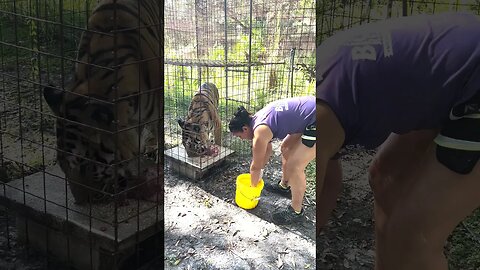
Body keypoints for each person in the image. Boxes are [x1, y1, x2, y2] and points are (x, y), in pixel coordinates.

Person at [315, 12, 480, 269]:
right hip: (451, 68)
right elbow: (328, 186)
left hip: (471, 77)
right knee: (384, 177)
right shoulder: (318, 108)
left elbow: (317, 199)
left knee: (415, 235)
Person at [228, 96, 316, 224]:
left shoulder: (259, 132)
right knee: (286, 148)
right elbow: (267, 150)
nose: (241, 139)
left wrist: (253, 188)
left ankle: (296, 211)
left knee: (295, 165)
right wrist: (260, 172)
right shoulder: (257, 120)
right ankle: (284, 186)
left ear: (245, 128)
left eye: (239, 136)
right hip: (309, 113)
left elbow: (255, 166)